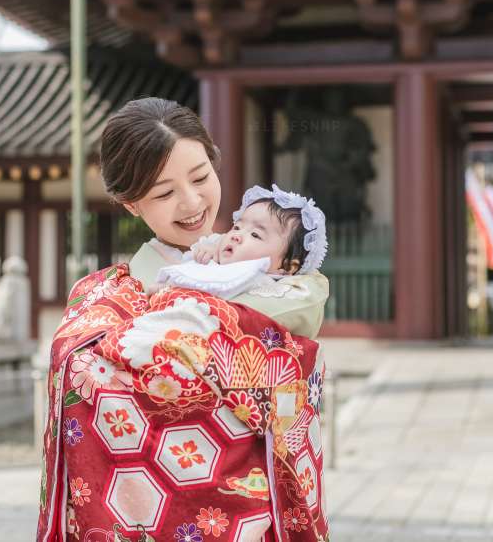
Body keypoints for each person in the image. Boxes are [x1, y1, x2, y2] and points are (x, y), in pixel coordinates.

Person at [38, 98, 330, 541]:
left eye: (200, 177)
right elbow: (83, 374)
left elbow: (299, 371)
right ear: (130, 203)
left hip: (259, 517)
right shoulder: (103, 294)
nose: (192, 202)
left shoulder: (271, 271)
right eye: (164, 192)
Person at [155, 184, 328, 311]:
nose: (236, 236)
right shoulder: (217, 255)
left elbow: (209, 293)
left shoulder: (262, 284)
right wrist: (203, 254)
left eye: (255, 235)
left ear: (287, 266)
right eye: (237, 227)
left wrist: (168, 291)